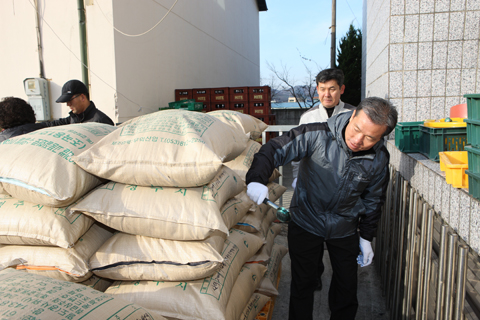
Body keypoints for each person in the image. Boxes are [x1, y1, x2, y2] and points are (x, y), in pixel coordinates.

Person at [246, 97, 398, 320]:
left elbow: (373, 199)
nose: (358, 140)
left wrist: (366, 237)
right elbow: (274, 149)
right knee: (303, 283)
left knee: (346, 288)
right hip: (306, 220)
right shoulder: (317, 133)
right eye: (356, 130)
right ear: (352, 115)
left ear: (381, 137)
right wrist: (256, 178)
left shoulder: (379, 159)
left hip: (345, 227)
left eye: (370, 138)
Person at [291, 68, 356, 291]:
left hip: (341, 190)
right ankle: (315, 275)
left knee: (338, 242)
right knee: (312, 238)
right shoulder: (308, 117)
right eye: (322, 89)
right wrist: (297, 179)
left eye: (332, 89)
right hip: (313, 187)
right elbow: (298, 151)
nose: (326, 94)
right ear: (317, 90)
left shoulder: (353, 115)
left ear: (341, 90)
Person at [43, 79, 114, 126]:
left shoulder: (101, 121)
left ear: (82, 97)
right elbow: (51, 125)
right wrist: (32, 127)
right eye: (66, 101)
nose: (68, 104)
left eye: (70, 100)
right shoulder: (73, 118)